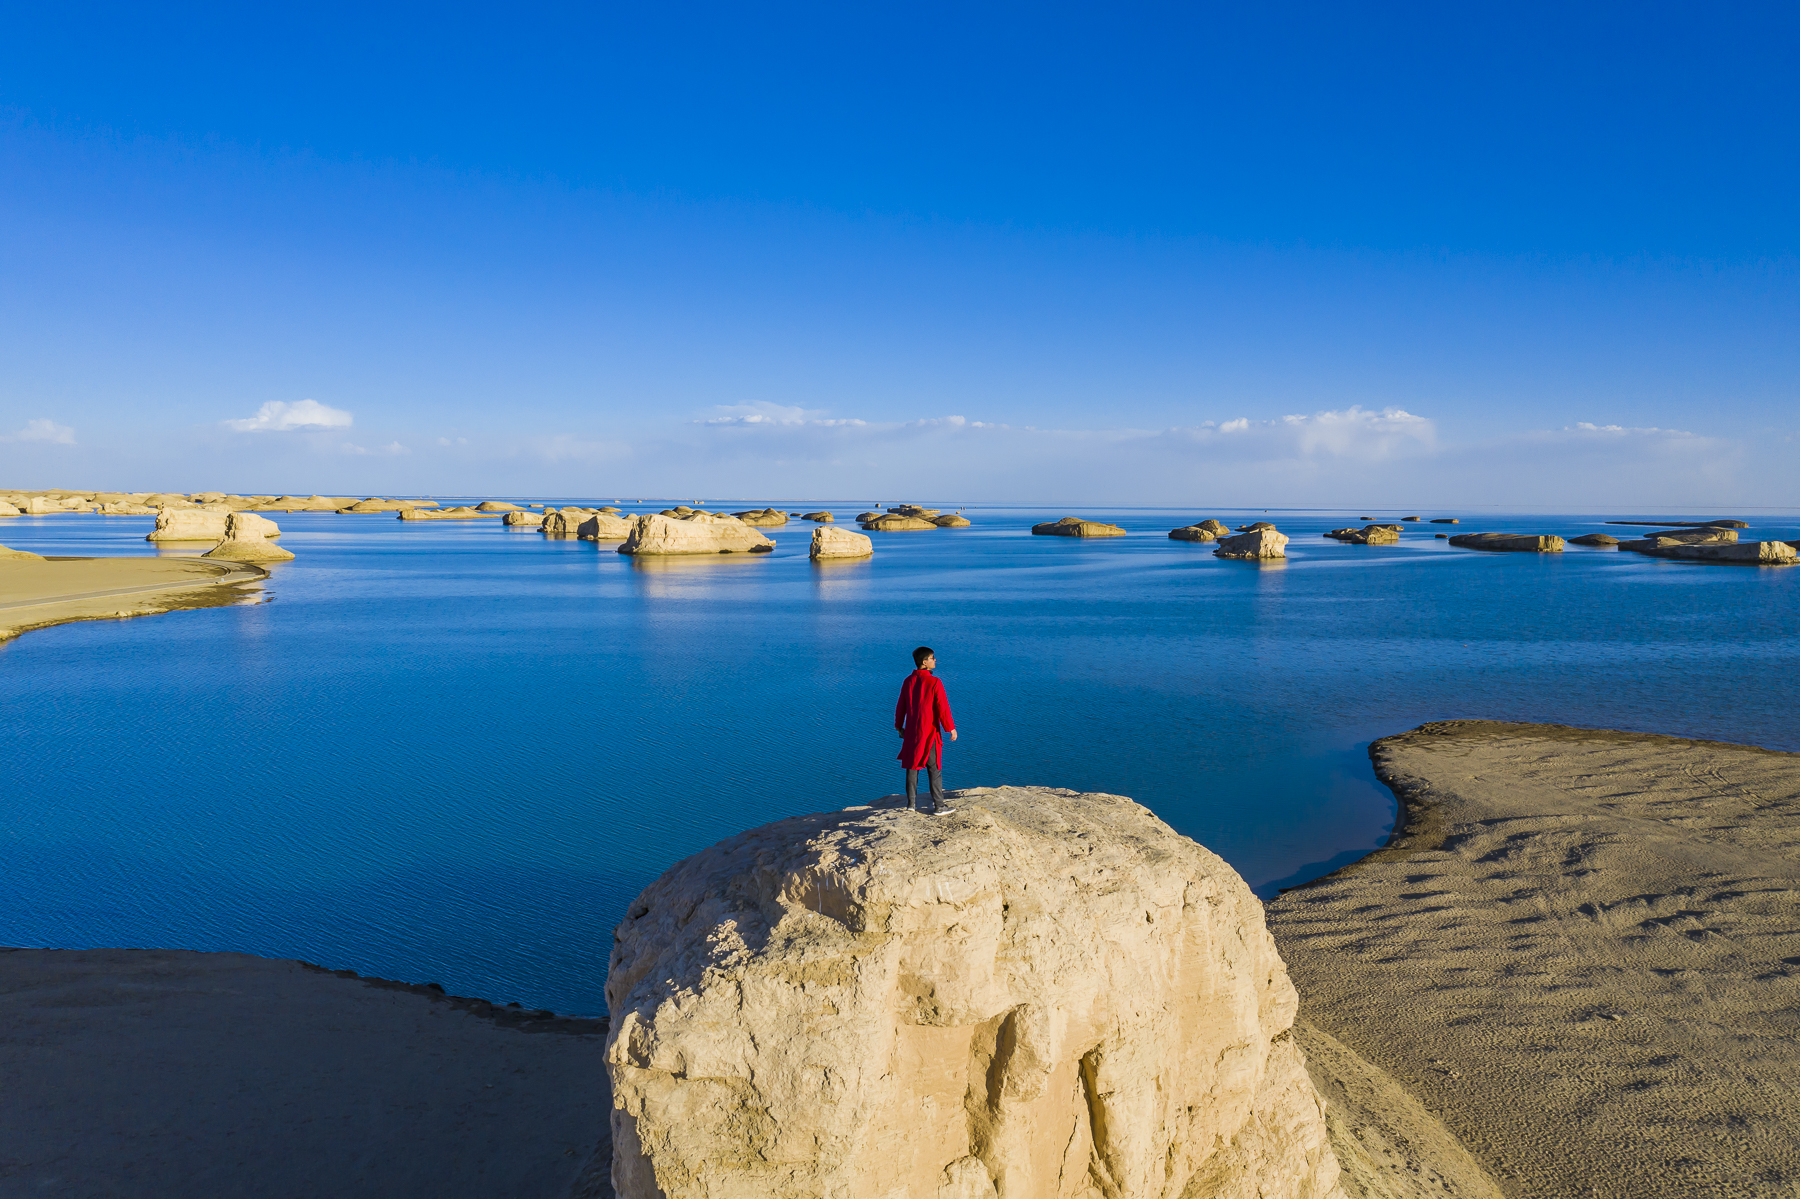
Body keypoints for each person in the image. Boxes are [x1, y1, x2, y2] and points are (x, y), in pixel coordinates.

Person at [895, 646, 957, 815]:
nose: (935, 660)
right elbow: (942, 708)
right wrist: (950, 728)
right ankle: (939, 806)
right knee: (934, 769)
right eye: (932, 658)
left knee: (912, 767)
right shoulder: (934, 682)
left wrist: (899, 726)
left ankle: (911, 805)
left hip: (911, 733)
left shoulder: (908, 681)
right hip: (929, 733)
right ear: (924, 662)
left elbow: (901, 706)